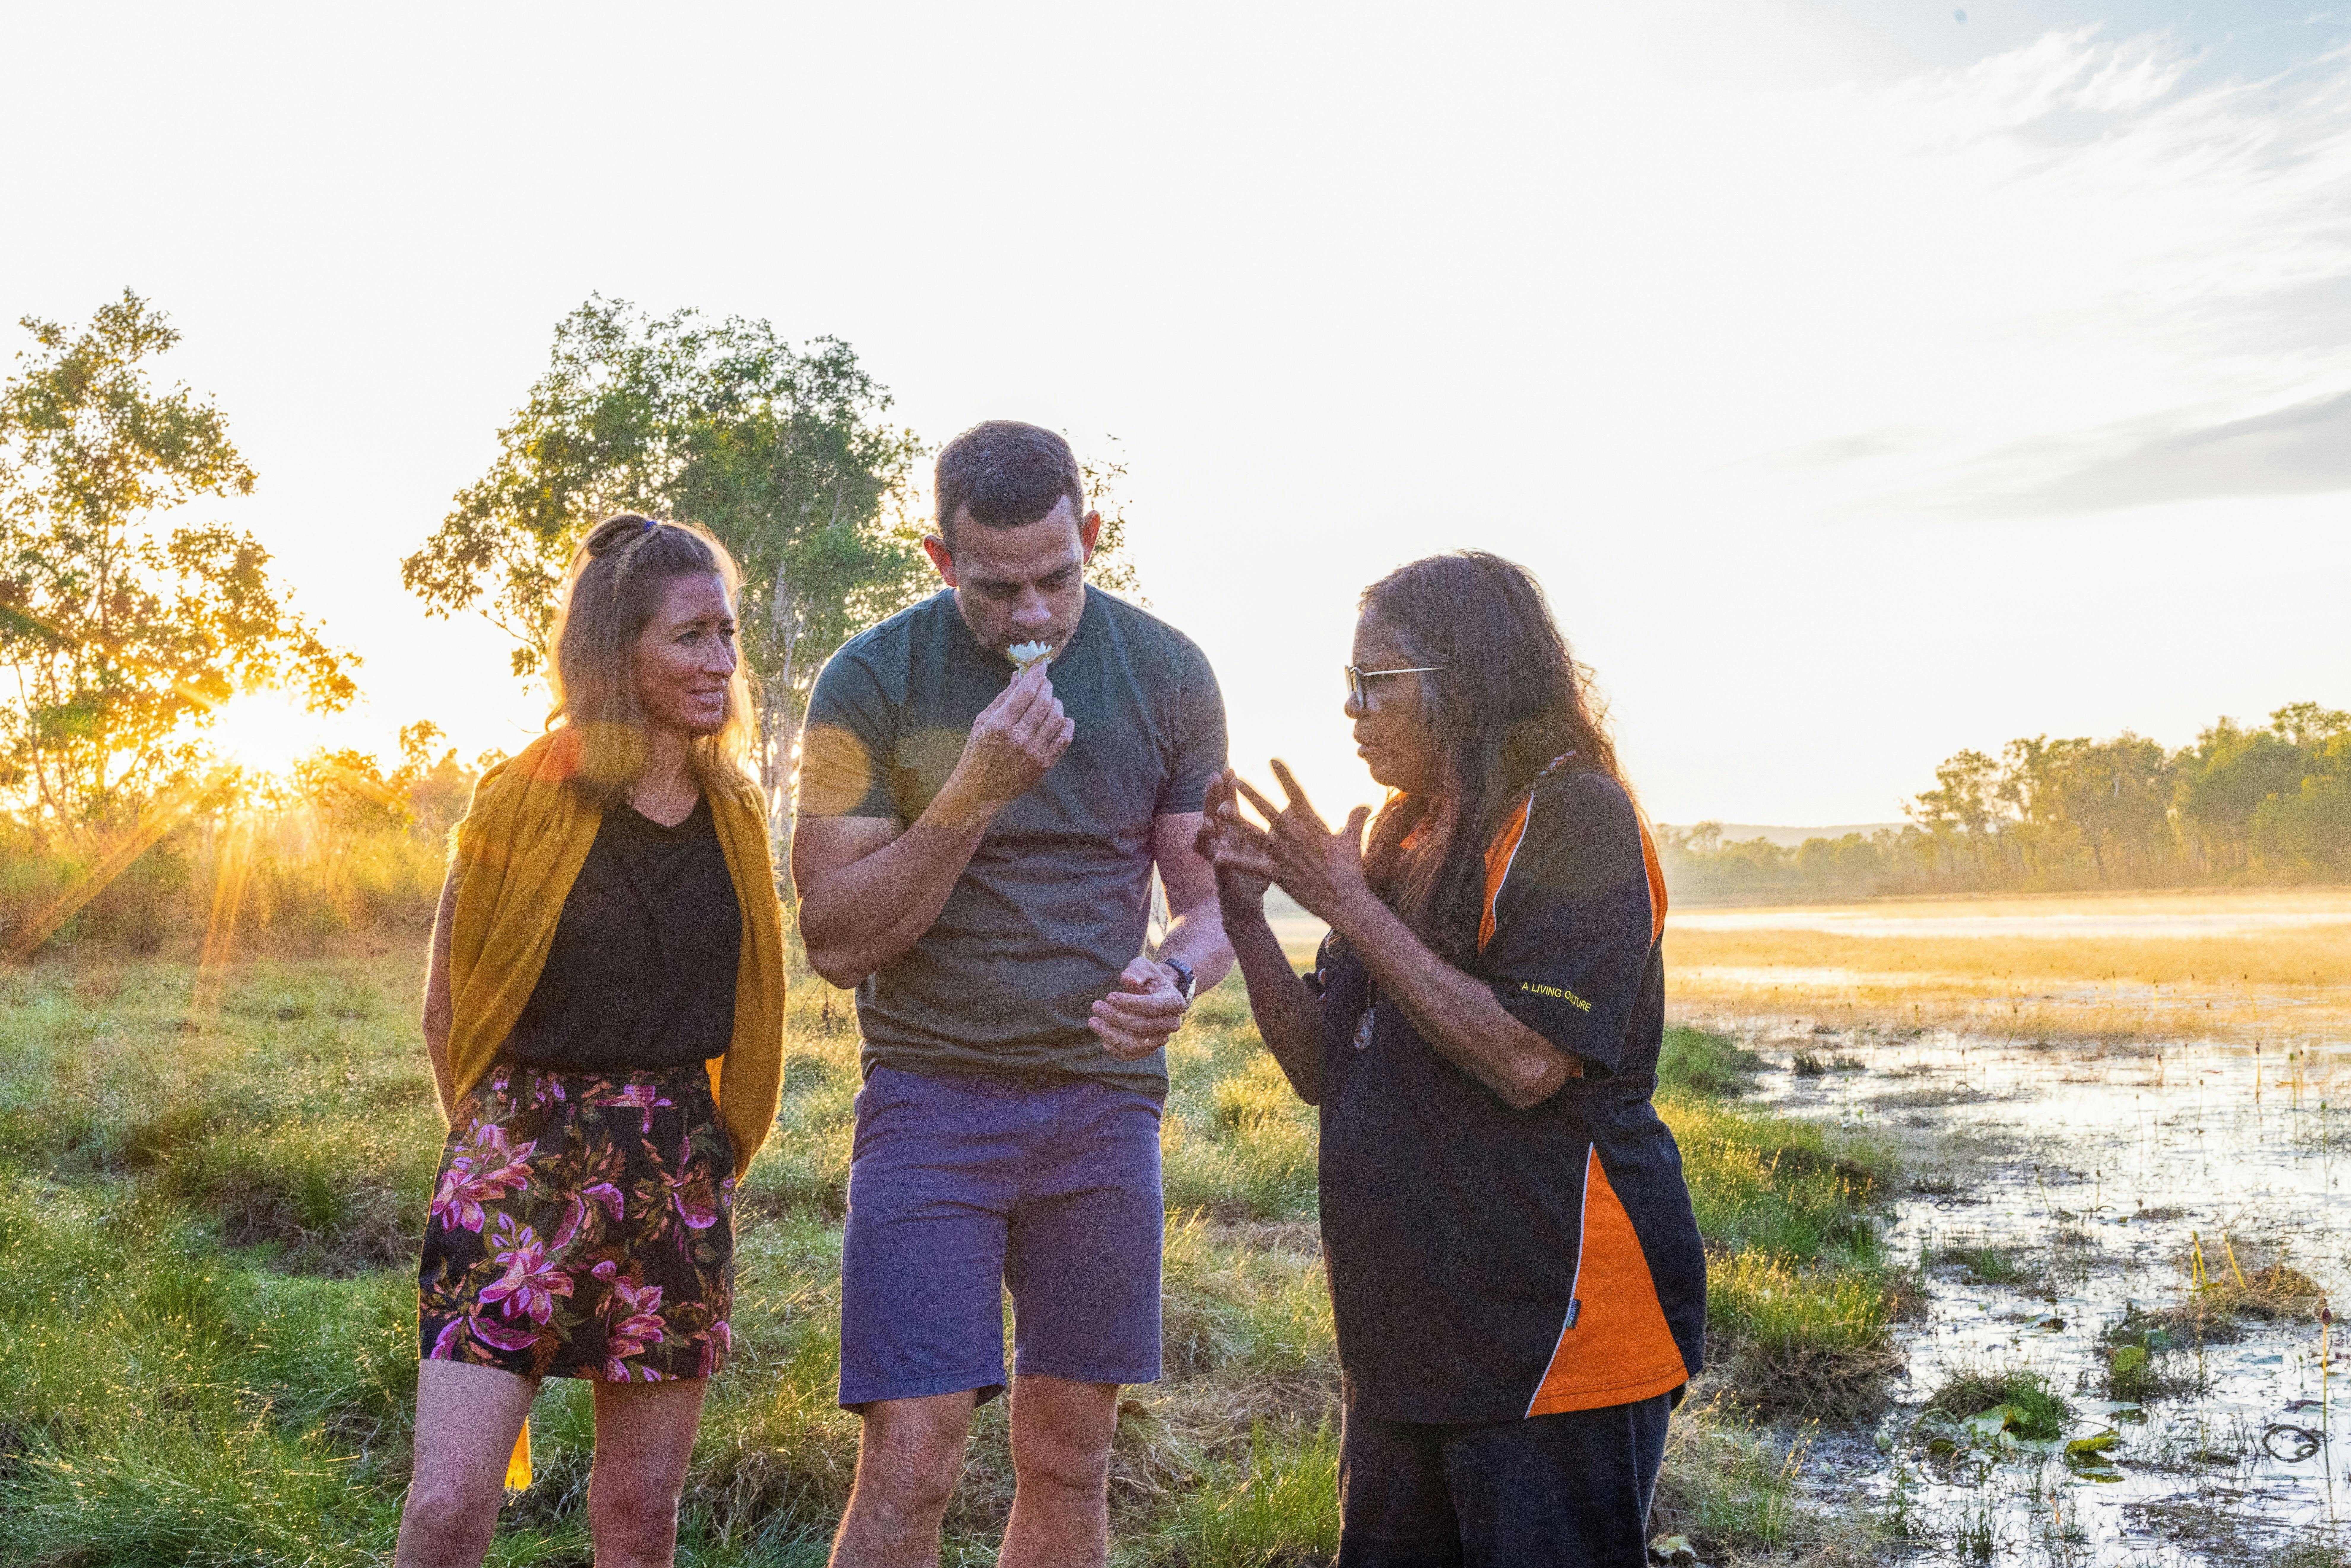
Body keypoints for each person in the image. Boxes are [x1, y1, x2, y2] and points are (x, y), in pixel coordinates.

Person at [1198, 551, 1705, 1568]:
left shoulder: (1574, 817)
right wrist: (1249, 921)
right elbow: (1324, 1070)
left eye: (1372, 681)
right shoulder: (1404, 830)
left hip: (1554, 1342)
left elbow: (1525, 1061)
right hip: (1404, 1350)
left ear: (1462, 683)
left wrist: (1344, 904)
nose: (1351, 710)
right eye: (1349, 683)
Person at [793, 420, 1234, 1568]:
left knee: (1073, 1455)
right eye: (996, 588)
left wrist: (1174, 975)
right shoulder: (867, 679)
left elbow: (1210, 904)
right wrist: (972, 793)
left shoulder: (1169, 671)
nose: (1033, 614)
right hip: (930, 1099)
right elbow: (836, 942)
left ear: (1091, 537)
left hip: (1103, 1104)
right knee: (910, 1462)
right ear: (941, 560)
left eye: (1057, 578)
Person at [396, 515, 788, 1568]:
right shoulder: (518, 799)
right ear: (617, 652)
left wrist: (708, 1157)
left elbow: (755, 1008)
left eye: (727, 633)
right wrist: (489, 1150)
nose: (722, 662)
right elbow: (448, 1011)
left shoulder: (737, 811)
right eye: (690, 636)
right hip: (517, 1157)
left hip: (676, 1169)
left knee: (641, 1516)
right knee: (448, 1507)